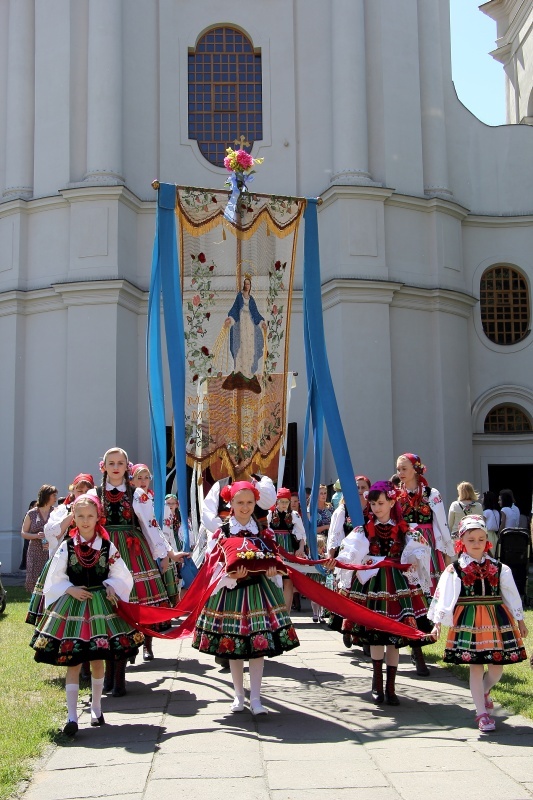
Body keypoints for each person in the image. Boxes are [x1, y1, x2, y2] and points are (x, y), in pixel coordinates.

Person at [30, 494, 142, 736]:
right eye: (80, 516)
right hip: (73, 607)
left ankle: (97, 707)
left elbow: (120, 572)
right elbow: (55, 576)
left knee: (97, 659)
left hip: (100, 607)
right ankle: (71, 716)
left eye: (90, 515)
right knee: (73, 660)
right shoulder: (66, 546)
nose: (85, 520)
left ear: (98, 517)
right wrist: (69, 588)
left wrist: (112, 585)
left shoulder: (106, 545)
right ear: (73, 518)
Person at [192, 481, 300, 715]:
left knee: (258, 647)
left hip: (260, 592)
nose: (245, 507)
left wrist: (272, 573)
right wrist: (231, 576)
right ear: (230, 503)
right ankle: (239, 695)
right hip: (232, 593)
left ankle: (257, 697)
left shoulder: (263, 530)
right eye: (240, 502)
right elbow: (214, 565)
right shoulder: (222, 531)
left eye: (249, 502)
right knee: (235, 646)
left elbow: (271, 557)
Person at [428, 515, 527, 732]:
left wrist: (519, 620)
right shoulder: (455, 569)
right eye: (471, 539)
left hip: (496, 619)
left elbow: (511, 594)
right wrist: (438, 623)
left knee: (497, 667)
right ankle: (481, 713)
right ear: (462, 540)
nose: (476, 543)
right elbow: (444, 596)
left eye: (481, 539)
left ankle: (483, 691)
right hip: (469, 621)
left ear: (487, 541)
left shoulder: (499, 567)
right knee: (475, 665)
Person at [336, 481, 432, 705]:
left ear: (391, 502)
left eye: (380, 503)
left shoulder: (405, 529)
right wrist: (339, 562)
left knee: (394, 638)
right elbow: (350, 551)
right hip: (372, 584)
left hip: (397, 586)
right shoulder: (363, 530)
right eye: (373, 503)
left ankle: (391, 687)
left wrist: (413, 562)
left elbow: (419, 551)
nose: (376, 508)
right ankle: (377, 683)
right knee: (376, 633)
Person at [90, 448, 173, 696]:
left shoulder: (137, 494)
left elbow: (150, 525)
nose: (116, 467)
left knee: (126, 611)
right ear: (103, 466)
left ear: (127, 466)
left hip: (130, 554)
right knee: (106, 611)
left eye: (120, 463)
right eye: (111, 463)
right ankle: (109, 676)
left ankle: (120, 676)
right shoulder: (96, 494)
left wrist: (162, 554)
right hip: (103, 551)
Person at [396, 453, 455, 677]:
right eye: (399, 469)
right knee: (408, 594)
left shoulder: (432, 494)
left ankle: (419, 642)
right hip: (404, 546)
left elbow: (440, 524)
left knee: (424, 595)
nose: (400, 472)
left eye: (404, 468)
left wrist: (448, 553)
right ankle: (415, 647)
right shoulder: (396, 494)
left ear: (416, 469)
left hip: (426, 547)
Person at [130, 463, 189, 661]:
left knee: (149, 600)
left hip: (152, 551)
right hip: (130, 551)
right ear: (131, 480)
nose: (143, 481)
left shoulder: (157, 501)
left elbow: (159, 531)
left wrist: (166, 555)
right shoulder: (128, 498)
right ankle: (129, 644)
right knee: (130, 599)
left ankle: (148, 645)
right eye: (139, 477)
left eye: (146, 477)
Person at [26, 474, 95, 628]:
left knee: (89, 608)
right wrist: (73, 514)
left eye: (87, 490)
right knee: (60, 608)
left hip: (90, 562)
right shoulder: (62, 510)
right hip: (63, 563)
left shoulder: (97, 511)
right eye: (79, 490)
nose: (83, 493)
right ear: (73, 491)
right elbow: (52, 533)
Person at [221, 274, 267, 394]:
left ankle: (249, 373)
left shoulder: (251, 300)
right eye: (245, 284)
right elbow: (234, 310)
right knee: (240, 347)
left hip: (250, 325)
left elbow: (255, 313)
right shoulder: (239, 297)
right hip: (241, 325)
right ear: (243, 285)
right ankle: (238, 371)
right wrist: (229, 319)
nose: (247, 285)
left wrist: (262, 322)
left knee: (250, 348)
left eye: (249, 284)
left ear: (250, 286)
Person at [267, 487, 306, 613]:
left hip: (289, 552)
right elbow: (265, 532)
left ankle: (286, 614)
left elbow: (301, 534)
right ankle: (275, 612)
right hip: (275, 552)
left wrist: (300, 548)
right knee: (275, 581)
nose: (284, 504)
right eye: (281, 501)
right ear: (276, 501)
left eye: (286, 502)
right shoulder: (270, 515)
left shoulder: (294, 515)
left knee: (288, 582)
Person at [21, 485, 58, 593]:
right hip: (35, 551)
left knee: (50, 577)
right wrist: (36, 536)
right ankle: (35, 604)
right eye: (53, 495)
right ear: (46, 496)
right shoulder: (32, 513)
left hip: (50, 549)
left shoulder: (56, 512)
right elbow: (23, 533)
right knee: (34, 577)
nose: (56, 498)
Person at [19, 500, 37, 570]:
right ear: (31, 507)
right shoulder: (29, 515)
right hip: (29, 539)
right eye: (35, 506)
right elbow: (25, 531)